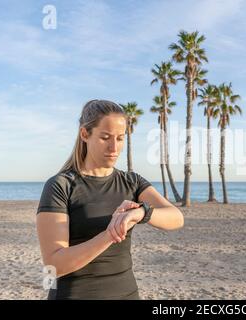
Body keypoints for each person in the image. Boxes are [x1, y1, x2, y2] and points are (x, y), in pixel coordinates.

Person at [36, 99, 184, 300]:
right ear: (85, 134)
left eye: (120, 138)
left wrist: (141, 212)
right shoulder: (60, 185)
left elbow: (176, 218)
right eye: (105, 138)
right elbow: (54, 265)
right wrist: (110, 234)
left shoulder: (132, 182)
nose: (114, 147)